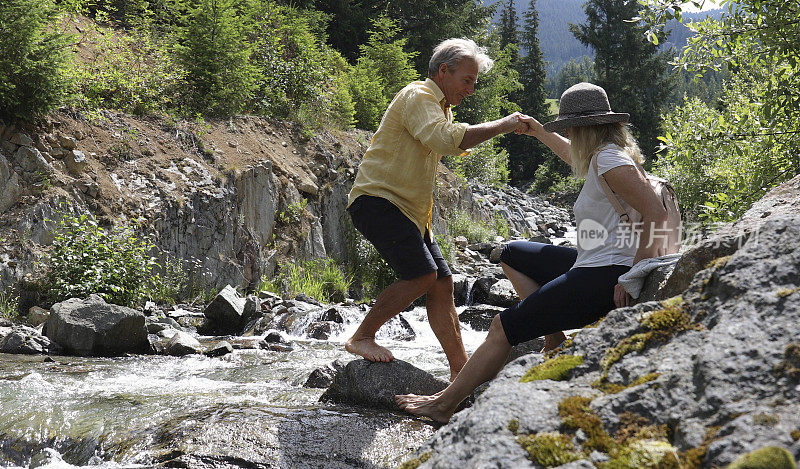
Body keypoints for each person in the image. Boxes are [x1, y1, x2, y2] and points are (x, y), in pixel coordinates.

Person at [396, 82, 669, 422]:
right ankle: (554, 339)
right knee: (511, 253)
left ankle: (443, 405)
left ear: (585, 127)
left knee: (502, 327)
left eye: (569, 126)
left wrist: (633, 276)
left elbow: (656, 213)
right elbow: (573, 154)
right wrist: (540, 132)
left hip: (606, 274)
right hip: (595, 263)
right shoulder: (605, 156)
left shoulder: (610, 160)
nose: (567, 131)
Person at [345, 38, 529, 381]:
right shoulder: (419, 96)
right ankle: (361, 337)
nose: (471, 89)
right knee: (422, 275)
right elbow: (446, 140)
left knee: (442, 284)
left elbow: (451, 142)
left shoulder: (439, 105)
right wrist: (504, 124)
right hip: (379, 200)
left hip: (408, 211)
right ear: (443, 71)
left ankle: (462, 372)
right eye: (467, 80)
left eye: (474, 81)